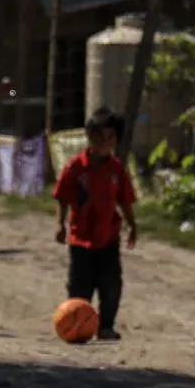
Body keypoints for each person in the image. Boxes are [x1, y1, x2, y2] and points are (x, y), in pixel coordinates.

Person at [53, 108, 137, 340]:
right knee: (79, 286)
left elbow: (125, 200)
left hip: (108, 238)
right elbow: (62, 197)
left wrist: (133, 226)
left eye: (110, 138)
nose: (104, 143)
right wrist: (60, 224)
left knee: (111, 285)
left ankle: (106, 326)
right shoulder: (75, 168)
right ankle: (77, 326)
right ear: (89, 137)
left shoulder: (117, 169)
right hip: (80, 239)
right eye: (99, 137)